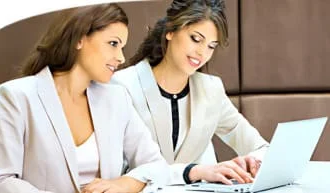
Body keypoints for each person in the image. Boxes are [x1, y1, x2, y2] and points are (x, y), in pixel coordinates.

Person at [0, 4, 170, 193]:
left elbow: (155, 165)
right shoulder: (16, 97)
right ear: (79, 39)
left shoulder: (117, 98)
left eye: (122, 47)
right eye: (113, 44)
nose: (121, 57)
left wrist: (122, 184)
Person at [112, 0, 269, 185]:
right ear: (170, 31)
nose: (202, 52)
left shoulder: (211, 90)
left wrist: (251, 162)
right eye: (196, 39)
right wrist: (195, 171)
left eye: (211, 46)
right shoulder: (121, 86)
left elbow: (261, 147)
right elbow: (118, 172)